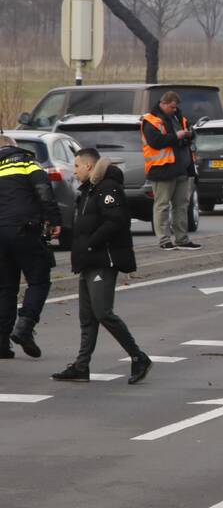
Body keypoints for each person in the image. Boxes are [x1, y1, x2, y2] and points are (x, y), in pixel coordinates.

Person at [52, 149, 152, 384]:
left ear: (88, 166)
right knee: (87, 317)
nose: (74, 171)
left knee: (103, 313)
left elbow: (116, 221)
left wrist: (90, 244)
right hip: (88, 261)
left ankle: (138, 357)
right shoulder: (89, 189)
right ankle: (81, 366)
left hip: (102, 260)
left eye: (76, 166)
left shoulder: (108, 188)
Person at [0, 134, 61, 359]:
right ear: (13, 147)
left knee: (5, 288)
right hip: (25, 230)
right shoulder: (27, 162)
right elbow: (44, 191)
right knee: (39, 280)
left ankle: (2, 343)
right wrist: (54, 220)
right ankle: (25, 326)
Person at [141, 91, 201, 250]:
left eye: (176, 107)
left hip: (182, 168)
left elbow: (191, 134)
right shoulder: (151, 121)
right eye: (172, 107)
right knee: (162, 205)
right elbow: (155, 142)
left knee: (181, 205)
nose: (175, 110)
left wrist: (188, 134)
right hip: (163, 170)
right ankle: (164, 240)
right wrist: (178, 136)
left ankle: (182, 239)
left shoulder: (179, 117)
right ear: (164, 103)